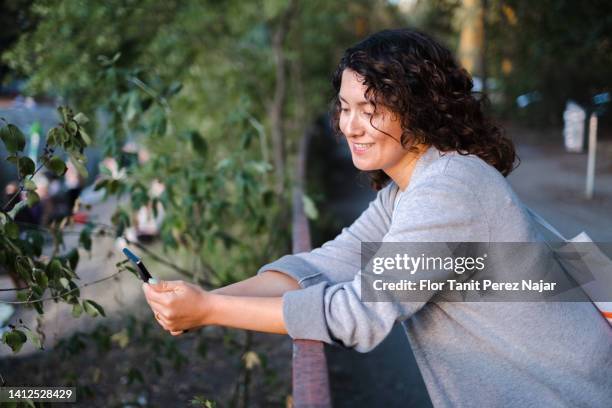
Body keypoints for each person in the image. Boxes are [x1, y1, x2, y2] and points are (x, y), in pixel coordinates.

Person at [142, 29, 612, 406]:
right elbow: (329, 264)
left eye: (371, 110)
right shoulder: (411, 187)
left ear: (419, 109)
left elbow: (358, 315)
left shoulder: (449, 190)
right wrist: (203, 301)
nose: (350, 125)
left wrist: (209, 310)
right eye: (346, 108)